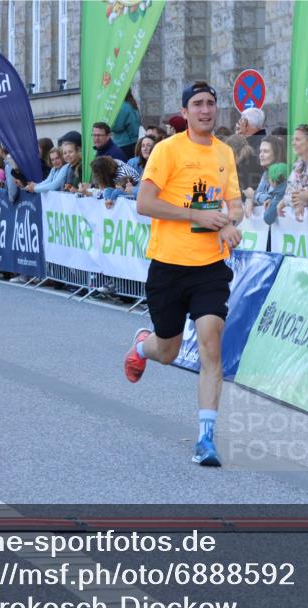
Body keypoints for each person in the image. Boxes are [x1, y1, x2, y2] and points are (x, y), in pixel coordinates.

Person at [127, 80, 244, 467]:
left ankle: (206, 438)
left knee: (212, 346)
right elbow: (145, 202)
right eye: (198, 104)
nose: (206, 110)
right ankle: (143, 346)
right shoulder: (167, 149)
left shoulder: (225, 153)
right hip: (169, 266)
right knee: (169, 350)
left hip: (209, 267)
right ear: (186, 111)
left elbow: (235, 204)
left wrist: (229, 222)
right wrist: (197, 216)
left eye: (211, 103)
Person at [278, 124, 308, 218]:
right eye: (293, 140)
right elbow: (288, 193)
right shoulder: (297, 165)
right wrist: (286, 200)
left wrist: (286, 201)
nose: (293, 143)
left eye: (297, 139)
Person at [243, 135, 286, 218]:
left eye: (265, 151)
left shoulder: (282, 172)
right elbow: (259, 194)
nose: (261, 155)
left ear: (276, 154)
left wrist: (253, 196)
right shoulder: (266, 174)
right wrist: (250, 199)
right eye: (260, 151)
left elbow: (273, 199)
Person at [113, 90, 142, 160]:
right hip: (134, 141)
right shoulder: (131, 104)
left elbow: (117, 127)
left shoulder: (122, 106)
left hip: (124, 143)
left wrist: (108, 124)